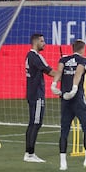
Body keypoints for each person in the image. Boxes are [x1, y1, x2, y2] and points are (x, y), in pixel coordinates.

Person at [51, 39, 86, 171]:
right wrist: (74, 88)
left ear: (73, 48)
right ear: (83, 49)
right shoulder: (83, 60)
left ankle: (63, 163)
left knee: (64, 131)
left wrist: (54, 84)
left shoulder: (64, 59)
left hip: (65, 99)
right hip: (77, 99)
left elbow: (58, 72)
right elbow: (78, 73)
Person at [24, 33, 56, 163]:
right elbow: (49, 71)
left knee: (33, 123)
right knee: (36, 123)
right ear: (36, 42)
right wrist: (66, 74)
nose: (44, 43)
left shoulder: (29, 56)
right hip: (37, 94)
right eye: (42, 41)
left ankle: (29, 153)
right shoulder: (36, 56)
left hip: (32, 93)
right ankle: (30, 154)